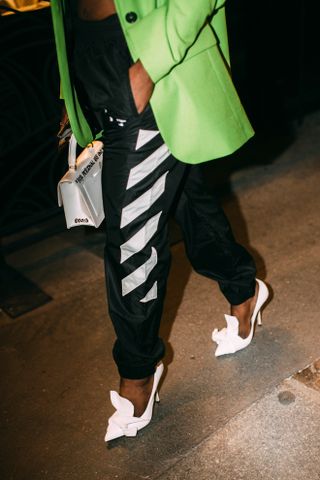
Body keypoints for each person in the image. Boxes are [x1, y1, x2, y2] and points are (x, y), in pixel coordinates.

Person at [51, 0, 269, 441]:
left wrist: (148, 68)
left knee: (132, 240)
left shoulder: (149, 69)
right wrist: (70, 91)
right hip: (98, 63)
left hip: (151, 71)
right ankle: (244, 289)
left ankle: (137, 374)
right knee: (187, 202)